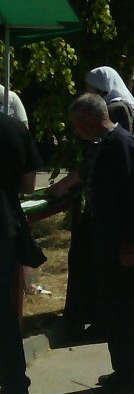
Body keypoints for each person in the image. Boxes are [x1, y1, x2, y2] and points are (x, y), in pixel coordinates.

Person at [67, 94, 134, 393]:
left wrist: (130, 244)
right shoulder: (105, 144)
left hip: (123, 243)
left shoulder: (120, 145)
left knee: (124, 309)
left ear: (87, 119)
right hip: (111, 239)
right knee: (115, 307)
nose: (75, 131)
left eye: (76, 124)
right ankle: (124, 368)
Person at [0, 112, 40, 394]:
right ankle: (15, 383)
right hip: (3, 227)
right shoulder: (13, 127)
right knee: (4, 312)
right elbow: (28, 185)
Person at [85, 66, 134, 145]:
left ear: (101, 88)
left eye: (90, 88)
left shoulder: (116, 109)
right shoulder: (120, 106)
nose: (87, 93)